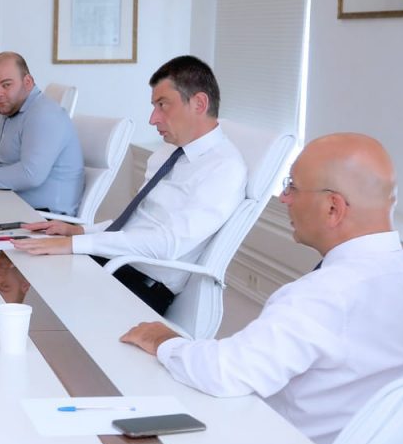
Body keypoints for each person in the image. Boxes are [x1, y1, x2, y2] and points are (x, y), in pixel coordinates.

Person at [121, 133, 403, 444]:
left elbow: (225, 373)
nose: (284, 198)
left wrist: (163, 341)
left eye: (292, 187)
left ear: (333, 207)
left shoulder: (325, 294)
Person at [14, 55, 247, 314]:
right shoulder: (168, 153)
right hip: (113, 265)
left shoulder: (224, 169)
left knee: (27, 296)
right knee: (17, 266)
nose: (153, 118)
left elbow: (166, 245)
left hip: (139, 288)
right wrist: (79, 232)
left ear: (199, 103)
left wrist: (75, 245)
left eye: (163, 105)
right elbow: (136, 227)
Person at [0, 52, 85, 216]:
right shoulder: (6, 109)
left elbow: (30, 174)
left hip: (43, 218)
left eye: (6, 85)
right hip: (7, 205)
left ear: (28, 82)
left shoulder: (44, 115)